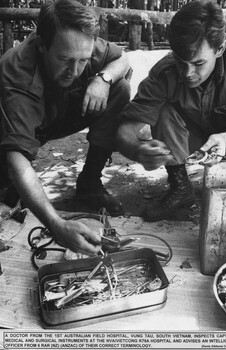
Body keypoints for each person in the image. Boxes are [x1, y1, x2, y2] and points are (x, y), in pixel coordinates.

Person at [0, 0, 130, 254]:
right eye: (65, 60)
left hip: (58, 114)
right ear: (42, 45)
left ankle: (90, 184)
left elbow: (122, 59)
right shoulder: (17, 73)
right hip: (12, 125)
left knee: (120, 87)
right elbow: (17, 155)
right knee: (9, 185)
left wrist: (103, 79)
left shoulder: (78, 41)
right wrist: (56, 224)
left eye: (83, 60)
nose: (75, 70)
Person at [117, 0, 226, 222]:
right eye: (180, 61)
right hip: (190, 136)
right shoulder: (163, 73)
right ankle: (180, 188)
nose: (187, 73)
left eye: (198, 64)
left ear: (220, 49)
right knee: (164, 112)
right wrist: (137, 150)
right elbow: (125, 131)